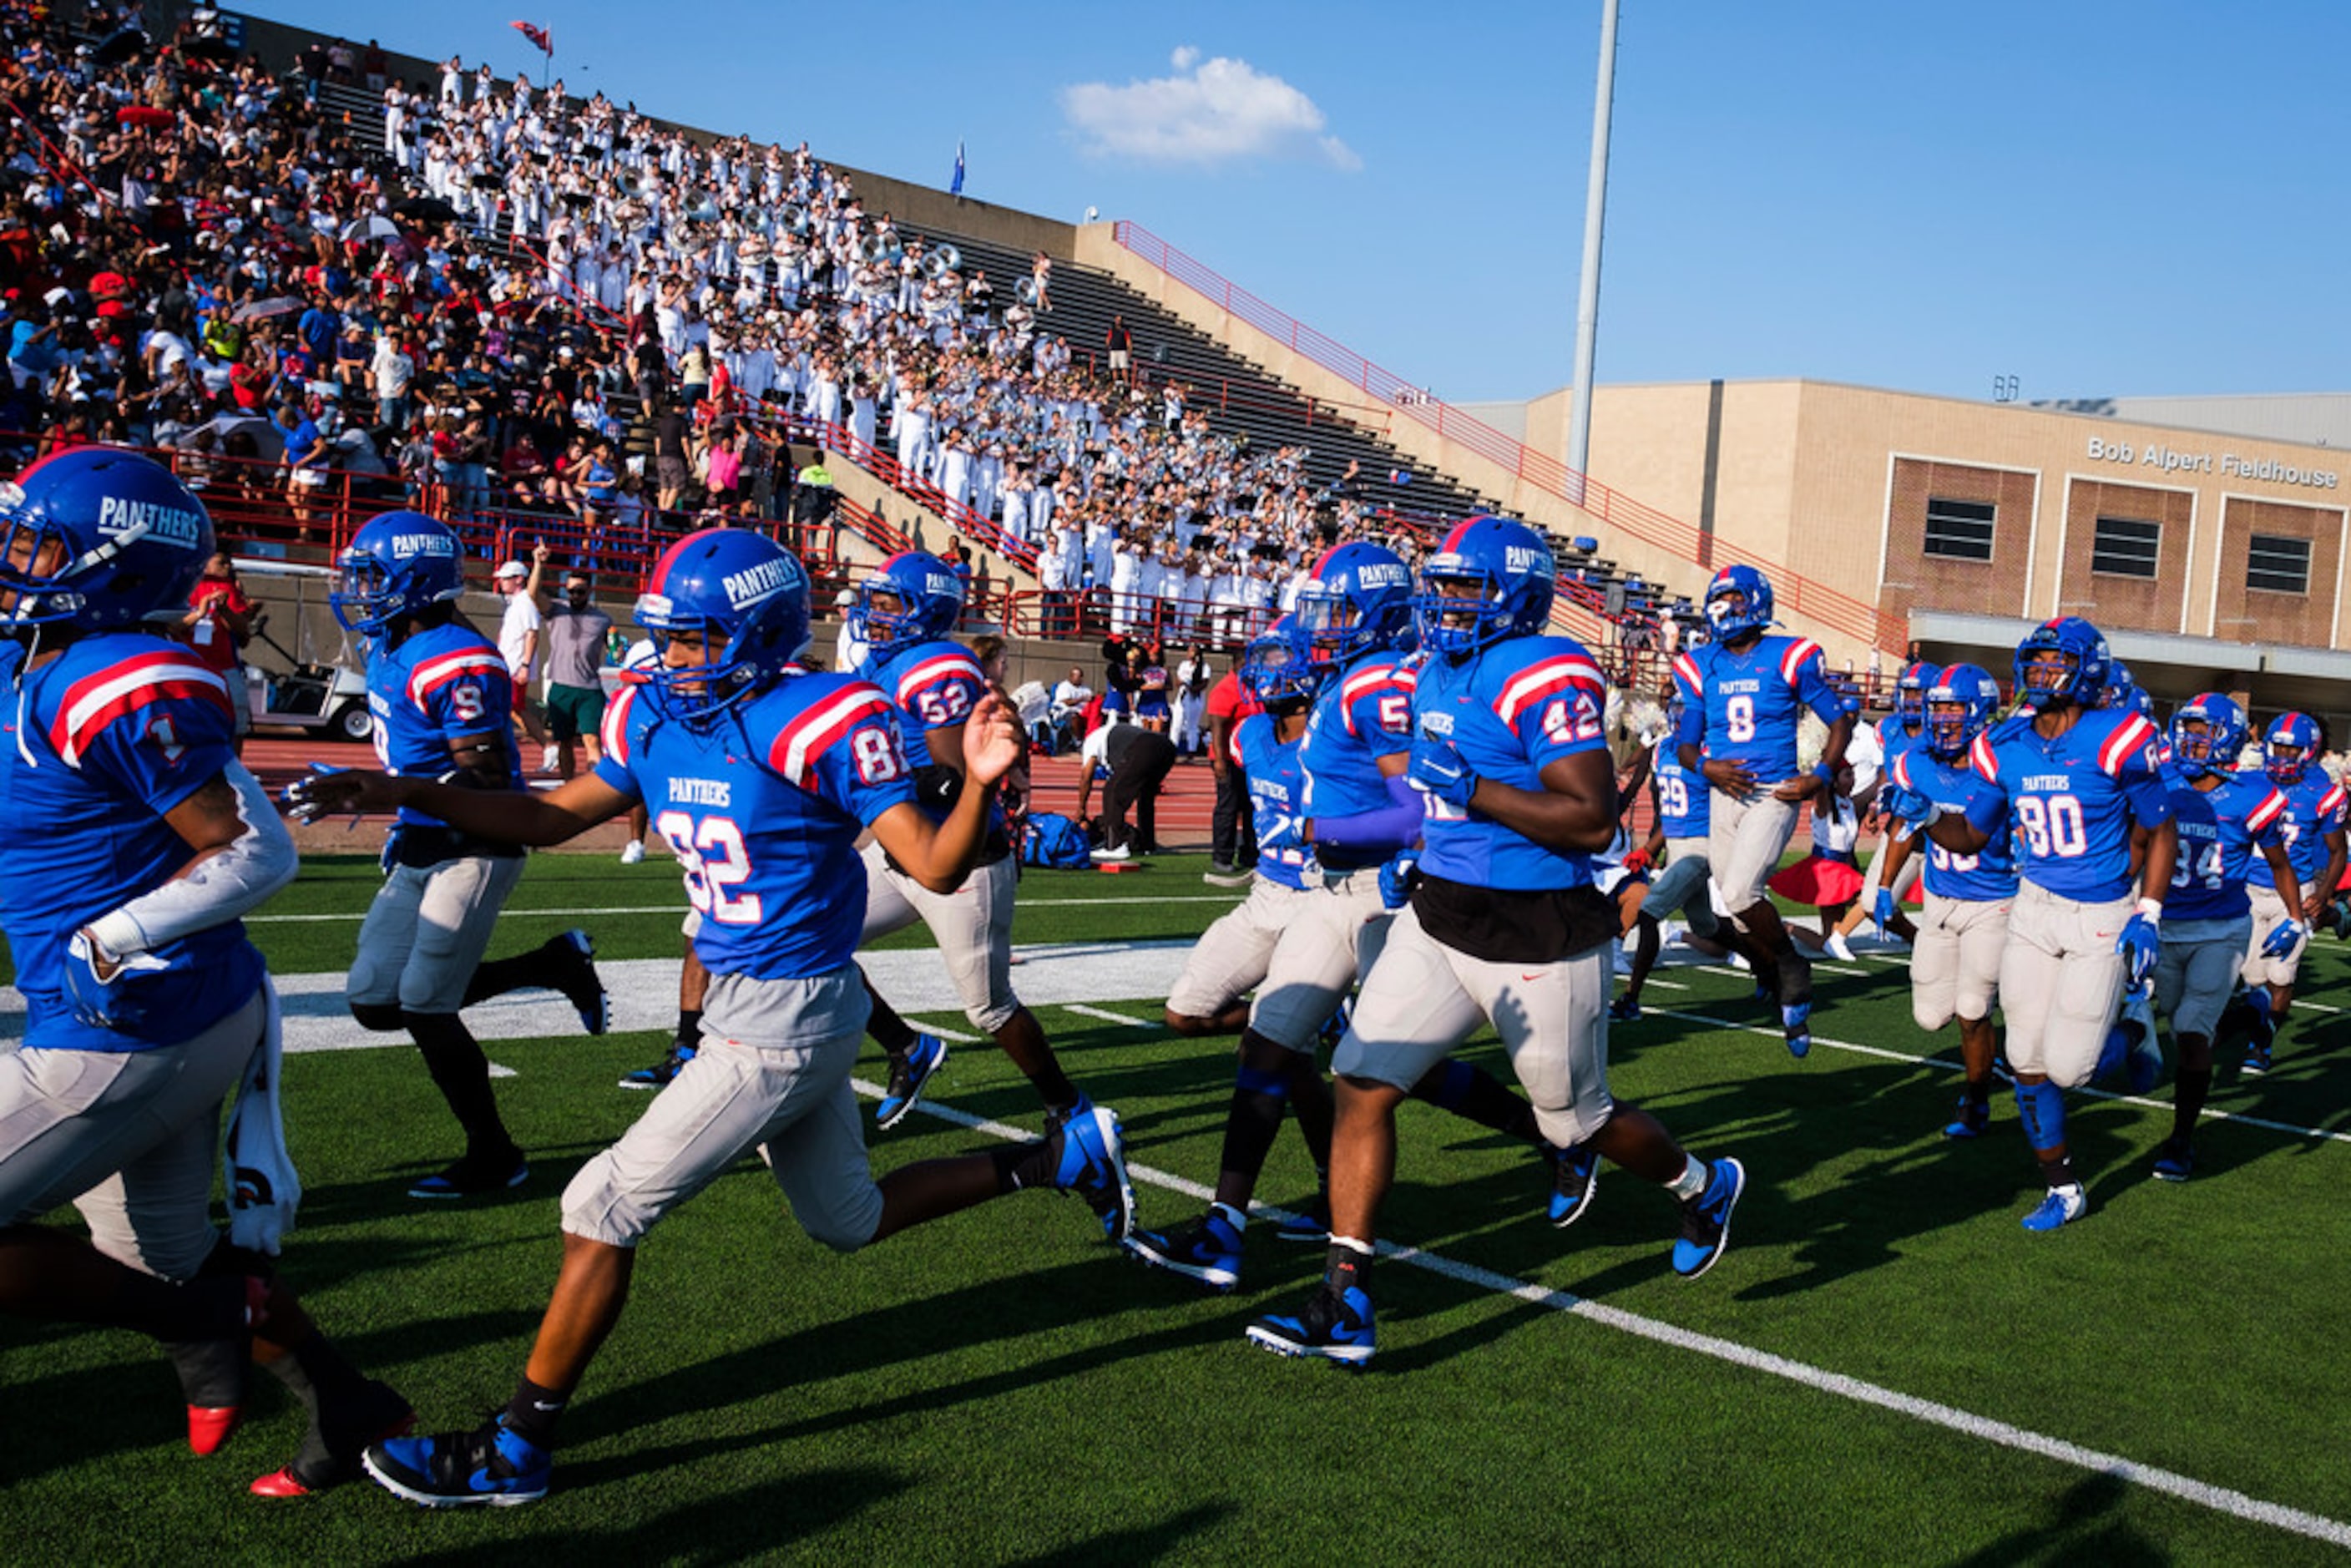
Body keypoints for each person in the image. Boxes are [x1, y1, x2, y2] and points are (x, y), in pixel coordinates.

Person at [284, 529, 1135, 1507]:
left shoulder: (819, 716)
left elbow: (935, 867)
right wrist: (400, 789)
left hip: (788, 1013)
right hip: (762, 999)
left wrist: (983, 779)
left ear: (755, 633)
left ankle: (517, 1447)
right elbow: (552, 818)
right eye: (666, 640)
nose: (671, 661)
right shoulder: (651, 714)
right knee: (847, 1222)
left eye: (692, 642)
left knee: (599, 1207)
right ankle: (1055, 1159)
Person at [0, 448, 409, 1498]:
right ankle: (345, 1397)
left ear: (120, 567)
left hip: (126, 1024)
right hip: (176, 1013)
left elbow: (252, 850)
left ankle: (200, 1327)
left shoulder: (117, 674)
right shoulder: (53, 660)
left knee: (175, 1293)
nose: (19, 556)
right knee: (165, 1259)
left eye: (44, 542)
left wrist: (113, 936)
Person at [1248, 517, 1747, 1365]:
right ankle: (1345, 1294)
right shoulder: (1433, 667)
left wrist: (1474, 791)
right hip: (1441, 917)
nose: (1446, 605)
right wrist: (1419, 846)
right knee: (1360, 1080)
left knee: (1575, 1121)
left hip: (1538, 932)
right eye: (1439, 587)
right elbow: (1423, 794)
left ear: (1514, 595)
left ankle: (1700, 1187)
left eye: (1465, 589)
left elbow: (1591, 820)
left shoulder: (1538, 671)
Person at [328, 514, 610, 1200]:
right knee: (373, 1001)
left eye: (374, 577)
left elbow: (481, 782)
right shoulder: (392, 642)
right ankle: (552, 963)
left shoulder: (458, 658)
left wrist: (390, 791)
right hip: (423, 838)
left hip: (476, 842)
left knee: (426, 1005)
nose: (360, 590)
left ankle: (493, 1154)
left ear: (417, 581)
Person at [1883, 616, 2176, 1232]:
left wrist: (2147, 912)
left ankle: (2134, 1035)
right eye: (2034, 663)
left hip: (2099, 912)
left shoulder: (2118, 734)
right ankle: (2063, 1185)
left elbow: (2161, 827)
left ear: (2086, 668)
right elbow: (1972, 834)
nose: (2040, 674)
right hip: (2033, 906)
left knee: (2074, 1068)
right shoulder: (2004, 744)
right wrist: (1928, 814)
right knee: (2024, 1058)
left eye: (2053, 663)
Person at [847, 552, 1106, 1140]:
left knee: (990, 1008)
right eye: (877, 602)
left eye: (889, 605)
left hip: (962, 860)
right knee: (815, 940)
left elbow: (951, 779)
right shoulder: (892, 663)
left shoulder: (933, 665)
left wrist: (871, 777)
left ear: (924, 611)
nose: (876, 615)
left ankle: (1071, 1109)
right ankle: (906, 1048)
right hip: (901, 854)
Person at [1672, 564, 1853, 1058]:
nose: (1724, 610)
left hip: (1773, 793)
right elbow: (1686, 745)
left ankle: (1792, 966)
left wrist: (1819, 776)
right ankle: (1775, 974)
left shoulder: (1788, 656)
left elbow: (1839, 723)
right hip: (1722, 794)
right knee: (1733, 909)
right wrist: (1709, 768)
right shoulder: (1700, 663)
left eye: (1734, 600)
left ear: (1755, 603)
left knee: (1740, 891)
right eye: (1719, 600)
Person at [2142, 695, 2298, 1180]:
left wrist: (2296, 917)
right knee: (2180, 1024)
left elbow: (2277, 863)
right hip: (2165, 924)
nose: (2190, 740)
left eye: (2202, 731)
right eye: (2185, 729)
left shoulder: (2252, 793)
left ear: (2227, 738)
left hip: (2221, 927)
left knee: (2190, 1035)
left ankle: (2181, 1141)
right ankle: (2252, 1011)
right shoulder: (2159, 781)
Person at [1868, 665, 2015, 1139]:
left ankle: (1975, 1102)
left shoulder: (2000, 766)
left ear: (1981, 711)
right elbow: (1903, 828)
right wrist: (1886, 885)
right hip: (1939, 899)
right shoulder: (1914, 762)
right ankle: (1996, 1054)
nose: (1944, 718)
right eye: (1938, 708)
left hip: (1993, 900)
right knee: (1930, 1016)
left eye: (1955, 707)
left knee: (1973, 1009)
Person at [2232, 711, 2345, 1073]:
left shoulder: (2322, 794)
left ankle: (2260, 1045)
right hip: (2248, 888)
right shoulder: (2248, 781)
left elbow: (2338, 850)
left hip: (2292, 894)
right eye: (2276, 747)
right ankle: (2256, 1027)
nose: (2280, 755)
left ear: (2308, 752)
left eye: (2289, 749)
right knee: (2252, 977)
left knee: (2281, 975)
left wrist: (2325, 893)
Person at [532, 554, 615, 783]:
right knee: (564, 741)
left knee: (592, 741)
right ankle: (569, 784)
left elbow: (614, 649)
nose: (574, 596)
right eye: (570, 591)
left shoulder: (602, 619)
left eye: (580, 591)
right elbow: (533, 595)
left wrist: (618, 652)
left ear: (589, 591)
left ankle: (595, 787)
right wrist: (539, 564)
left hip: (589, 688)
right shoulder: (557, 610)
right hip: (562, 686)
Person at [180, 550, 257, 752]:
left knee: (237, 719)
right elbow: (174, 626)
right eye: (222, 563)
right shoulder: (184, 585)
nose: (227, 567)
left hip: (225, 666)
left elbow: (243, 631)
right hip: (191, 666)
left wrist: (225, 611)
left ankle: (234, 768)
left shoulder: (227, 588)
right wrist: (200, 613)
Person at [1076, 710, 1178, 862]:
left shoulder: (1091, 741)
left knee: (1112, 792)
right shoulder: (1113, 736)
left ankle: (1115, 845)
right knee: (1145, 796)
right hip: (1166, 747)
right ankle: (1147, 844)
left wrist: (1081, 807)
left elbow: (1086, 776)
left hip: (1144, 746)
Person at [1202, 660, 1261, 884]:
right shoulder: (1226, 689)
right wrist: (1219, 759)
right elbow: (1217, 725)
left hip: (1250, 759)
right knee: (1228, 807)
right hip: (1227, 757)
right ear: (1238, 664)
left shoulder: (1252, 687)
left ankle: (1250, 853)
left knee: (1251, 807)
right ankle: (1222, 856)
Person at [491, 559, 550, 756]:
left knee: (512, 708)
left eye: (506, 579)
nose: (502, 582)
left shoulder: (525, 604)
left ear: (519, 579)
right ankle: (547, 747)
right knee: (514, 709)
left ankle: (547, 746)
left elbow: (532, 634)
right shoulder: (516, 603)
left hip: (515, 665)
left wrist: (524, 665)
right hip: (510, 664)